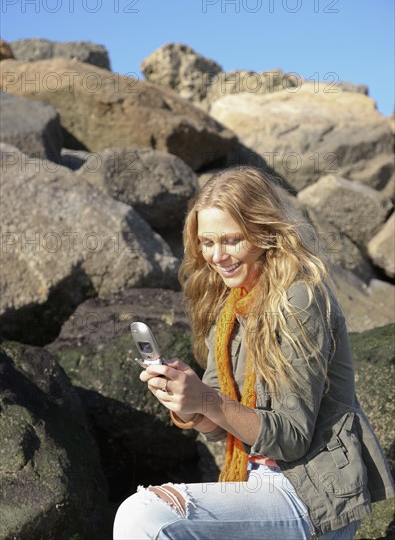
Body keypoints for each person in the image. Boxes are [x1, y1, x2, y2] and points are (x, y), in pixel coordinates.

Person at [113, 166, 394, 539]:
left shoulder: (299, 299)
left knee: (146, 515)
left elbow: (292, 438)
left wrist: (207, 400)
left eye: (231, 240)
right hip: (256, 478)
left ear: (264, 233)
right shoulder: (228, 306)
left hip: (313, 489)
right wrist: (189, 405)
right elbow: (220, 426)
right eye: (207, 242)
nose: (216, 255)